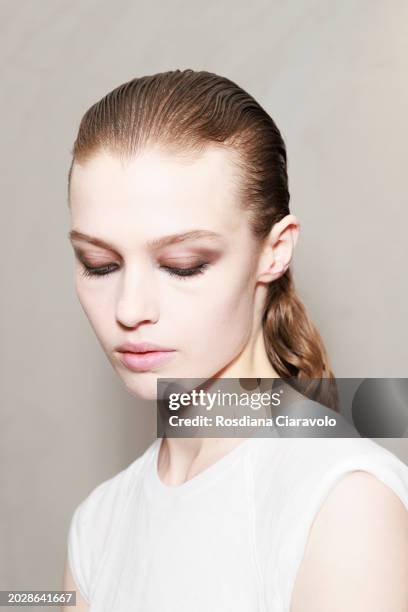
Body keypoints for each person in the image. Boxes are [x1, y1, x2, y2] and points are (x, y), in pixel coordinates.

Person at [62, 69, 408, 612]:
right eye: (99, 264)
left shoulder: (343, 503)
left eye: (183, 265)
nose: (129, 310)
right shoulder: (97, 525)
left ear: (275, 250)